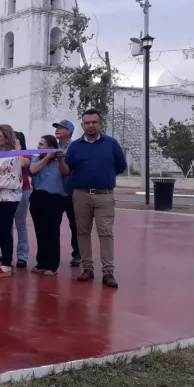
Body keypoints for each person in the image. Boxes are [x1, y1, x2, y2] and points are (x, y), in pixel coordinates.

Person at [64, 109, 127, 288]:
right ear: (82, 125)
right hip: (81, 195)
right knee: (82, 232)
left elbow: (121, 166)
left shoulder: (111, 144)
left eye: (94, 122)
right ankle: (87, 268)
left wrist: (105, 175)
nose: (91, 125)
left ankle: (108, 272)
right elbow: (68, 168)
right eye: (87, 123)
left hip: (104, 196)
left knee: (106, 233)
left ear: (100, 124)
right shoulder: (75, 146)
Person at [0, 124, 23, 278]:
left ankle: (7, 263)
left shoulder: (14, 155)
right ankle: (6, 254)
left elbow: (11, 176)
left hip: (8, 196)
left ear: (7, 138)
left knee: (4, 228)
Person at [28, 135, 70, 276]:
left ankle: (52, 265)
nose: (38, 146)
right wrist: (46, 157)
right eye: (38, 144)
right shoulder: (37, 159)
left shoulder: (60, 159)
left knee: (52, 231)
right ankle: (41, 263)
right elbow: (32, 171)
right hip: (38, 197)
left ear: (51, 147)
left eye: (41, 144)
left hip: (55, 199)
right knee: (40, 231)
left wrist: (59, 158)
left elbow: (66, 172)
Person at [53, 119, 81, 266]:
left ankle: (77, 253)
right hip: (56, 190)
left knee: (74, 224)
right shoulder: (52, 148)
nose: (57, 129)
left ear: (68, 131)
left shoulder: (75, 148)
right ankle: (52, 254)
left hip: (71, 190)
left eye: (60, 127)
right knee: (53, 224)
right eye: (56, 127)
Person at [12, 132, 31, 268]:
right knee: (6, 224)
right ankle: (6, 253)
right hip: (5, 191)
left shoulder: (26, 153)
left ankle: (22, 256)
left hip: (22, 190)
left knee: (20, 224)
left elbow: (24, 164)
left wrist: (18, 151)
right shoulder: (3, 153)